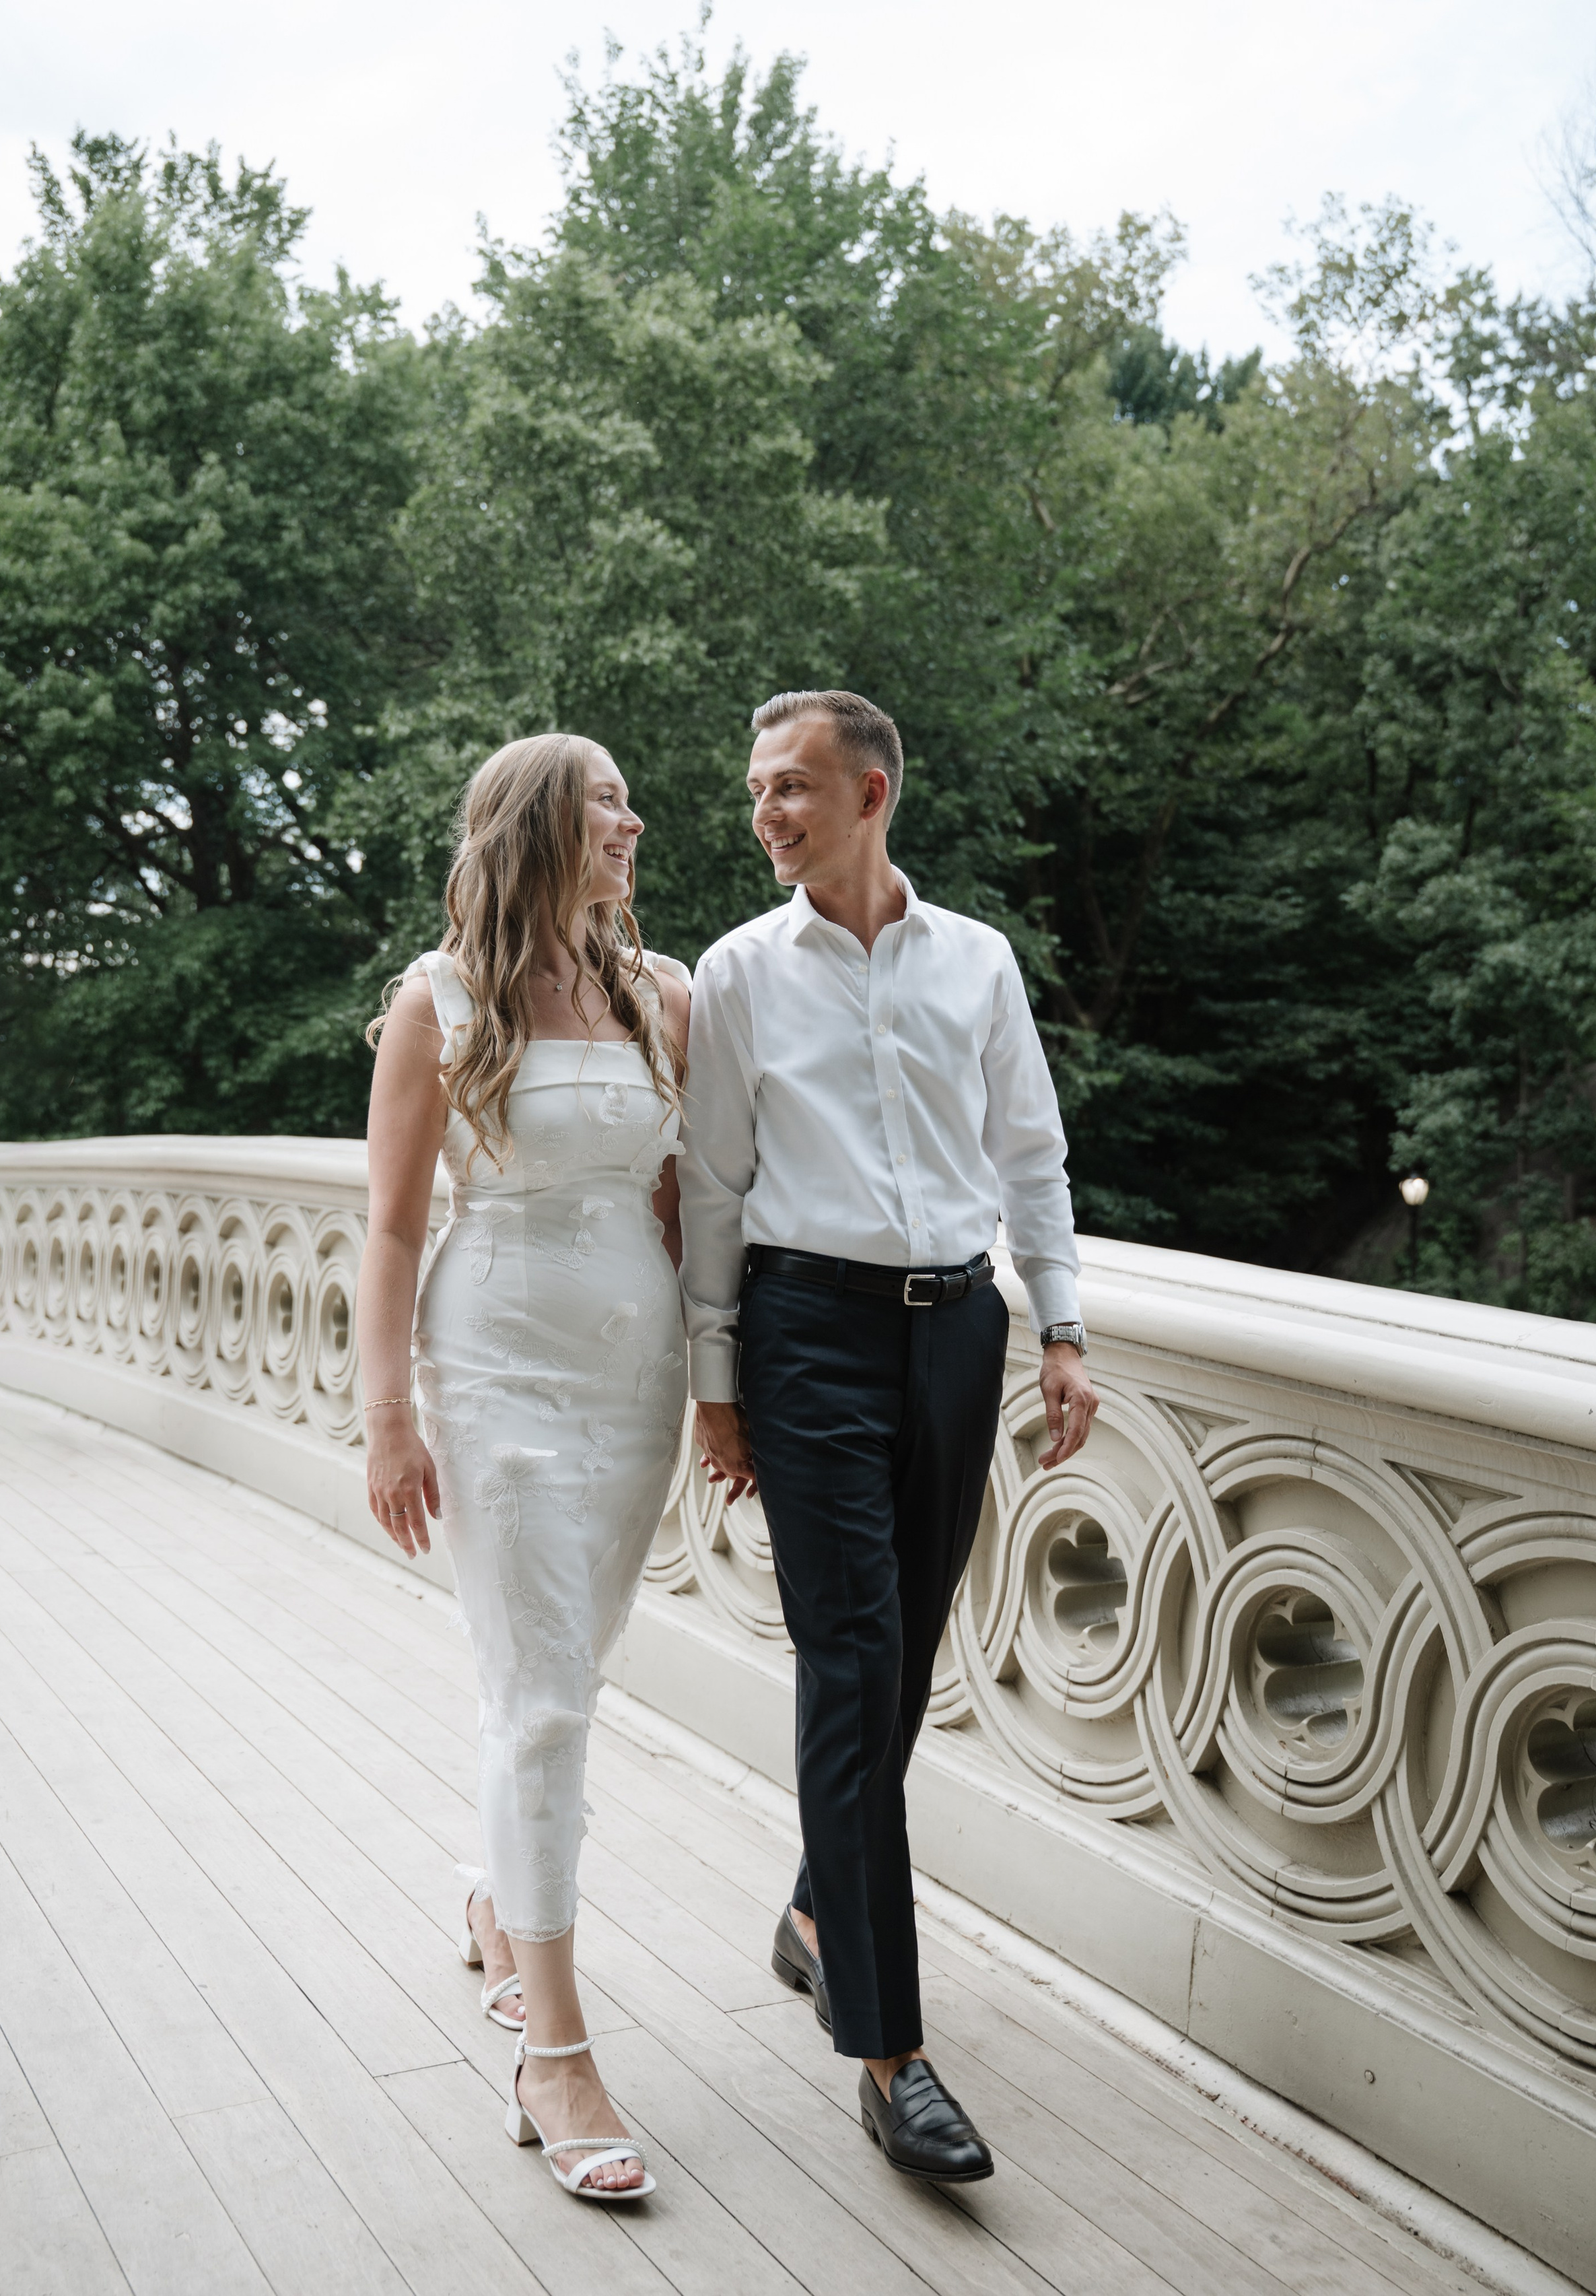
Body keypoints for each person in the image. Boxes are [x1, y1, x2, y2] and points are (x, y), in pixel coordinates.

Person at [679, 689, 1098, 2184]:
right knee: (851, 1664)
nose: (763, 814)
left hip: (954, 1333)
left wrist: (1058, 1327)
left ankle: (811, 1910)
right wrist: (715, 1377)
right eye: (753, 793)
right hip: (804, 1334)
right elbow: (715, 1186)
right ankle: (886, 2049)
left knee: (905, 1651)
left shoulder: (975, 960)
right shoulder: (737, 973)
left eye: (789, 788)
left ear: (870, 792)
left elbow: (1030, 1152)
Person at [357, 734, 690, 2203]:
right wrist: (386, 1418)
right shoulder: (437, 1003)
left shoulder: (660, 993)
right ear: (540, 827)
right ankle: (554, 2051)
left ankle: (501, 1899)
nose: (633, 819)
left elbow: (694, 1201)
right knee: (544, 1693)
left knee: (568, 1669)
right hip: (492, 1374)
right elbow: (386, 1226)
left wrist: (730, 1390)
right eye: (606, 800)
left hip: (640, 1386)